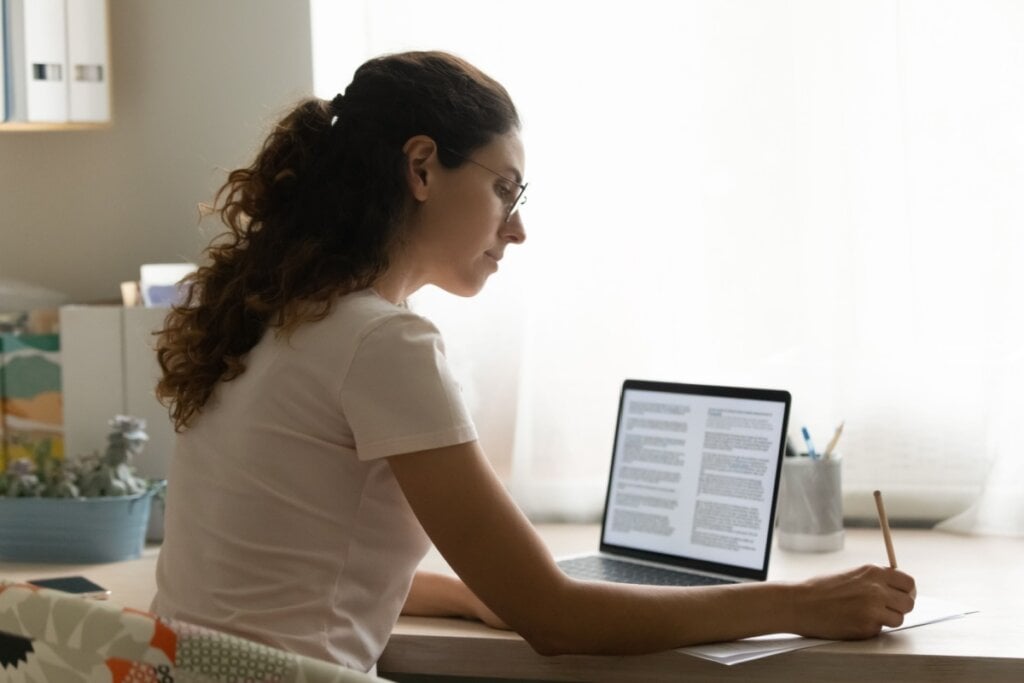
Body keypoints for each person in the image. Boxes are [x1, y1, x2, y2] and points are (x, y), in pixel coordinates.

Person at [151, 50, 915, 673]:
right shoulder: (382, 343)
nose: (515, 230)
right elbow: (555, 618)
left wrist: (483, 593)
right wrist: (799, 603)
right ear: (421, 168)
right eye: (504, 190)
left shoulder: (272, 319)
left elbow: (291, 574)